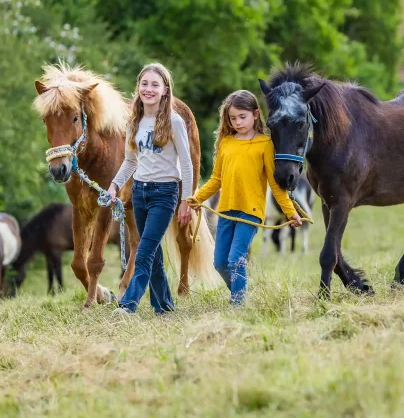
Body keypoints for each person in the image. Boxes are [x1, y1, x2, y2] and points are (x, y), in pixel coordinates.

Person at [188, 90, 301, 305]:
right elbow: (215, 179)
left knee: (236, 260)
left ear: (255, 114)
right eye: (233, 118)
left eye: (243, 117)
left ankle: (238, 304)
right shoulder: (226, 143)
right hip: (226, 210)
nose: (238, 122)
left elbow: (276, 186)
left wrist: (290, 212)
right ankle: (241, 294)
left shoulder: (265, 144)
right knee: (220, 262)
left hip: (250, 212)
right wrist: (197, 198)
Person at [108, 63, 194, 315]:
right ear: (138, 87)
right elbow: (130, 161)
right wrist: (114, 186)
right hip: (140, 193)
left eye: (155, 84)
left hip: (164, 194)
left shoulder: (174, 122)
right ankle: (164, 306)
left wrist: (186, 200)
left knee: (144, 252)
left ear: (165, 90)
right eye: (144, 83)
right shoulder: (133, 122)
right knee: (153, 253)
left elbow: (186, 165)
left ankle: (127, 305)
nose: (148, 89)